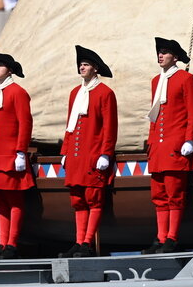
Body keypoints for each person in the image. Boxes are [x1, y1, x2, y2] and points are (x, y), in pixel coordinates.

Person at [61, 46, 117, 258]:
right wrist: (65, 150)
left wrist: (106, 153)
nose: (81, 67)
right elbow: (70, 124)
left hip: (93, 154)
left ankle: (87, 242)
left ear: (95, 68)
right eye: (80, 65)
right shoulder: (75, 93)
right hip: (75, 156)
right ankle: (78, 241)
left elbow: (110, 127)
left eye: (85, 64)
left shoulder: (105, 93)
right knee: (77, 199)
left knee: (93, 198)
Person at [145, 36, 193, 254]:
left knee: (174, 194)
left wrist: (189, 139)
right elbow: (154, 116)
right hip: (158, 148)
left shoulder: (186, 78)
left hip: (176, 145)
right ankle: (160, 238)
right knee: (158, 196)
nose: (160, 55)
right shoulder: (155, 81)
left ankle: (172, 238)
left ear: (174, 57)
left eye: (165, 52)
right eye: (159, 52)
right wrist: (151, 143)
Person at [0, 49, 34, 259]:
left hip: (10, 155)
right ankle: (2, 244)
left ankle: (12, 245)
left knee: (15, 201)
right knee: (1, 201)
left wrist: (20, 151)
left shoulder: (18, 92)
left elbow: (25, 123)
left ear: (9, 70)